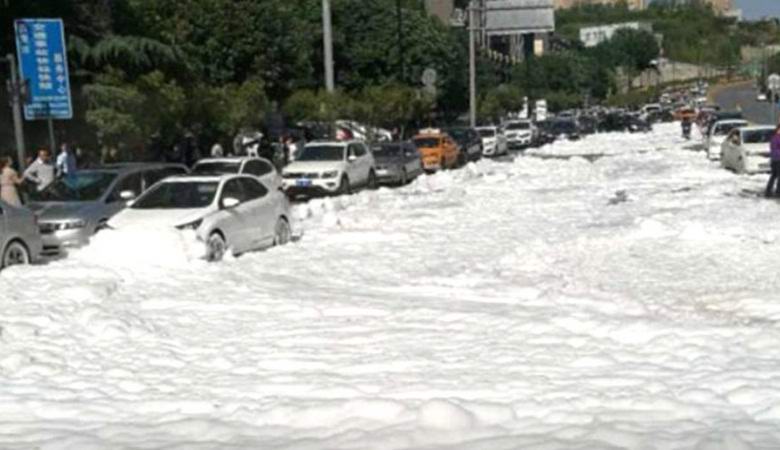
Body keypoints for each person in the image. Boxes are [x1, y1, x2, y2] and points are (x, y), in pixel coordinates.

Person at [766, 124, 780, 198]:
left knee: (774, 175)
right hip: (776, 160)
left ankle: (769, 191)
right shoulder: (775, 138)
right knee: (775, 176)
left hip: (776, 159)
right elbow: (774, 149)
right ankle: (777, 192)